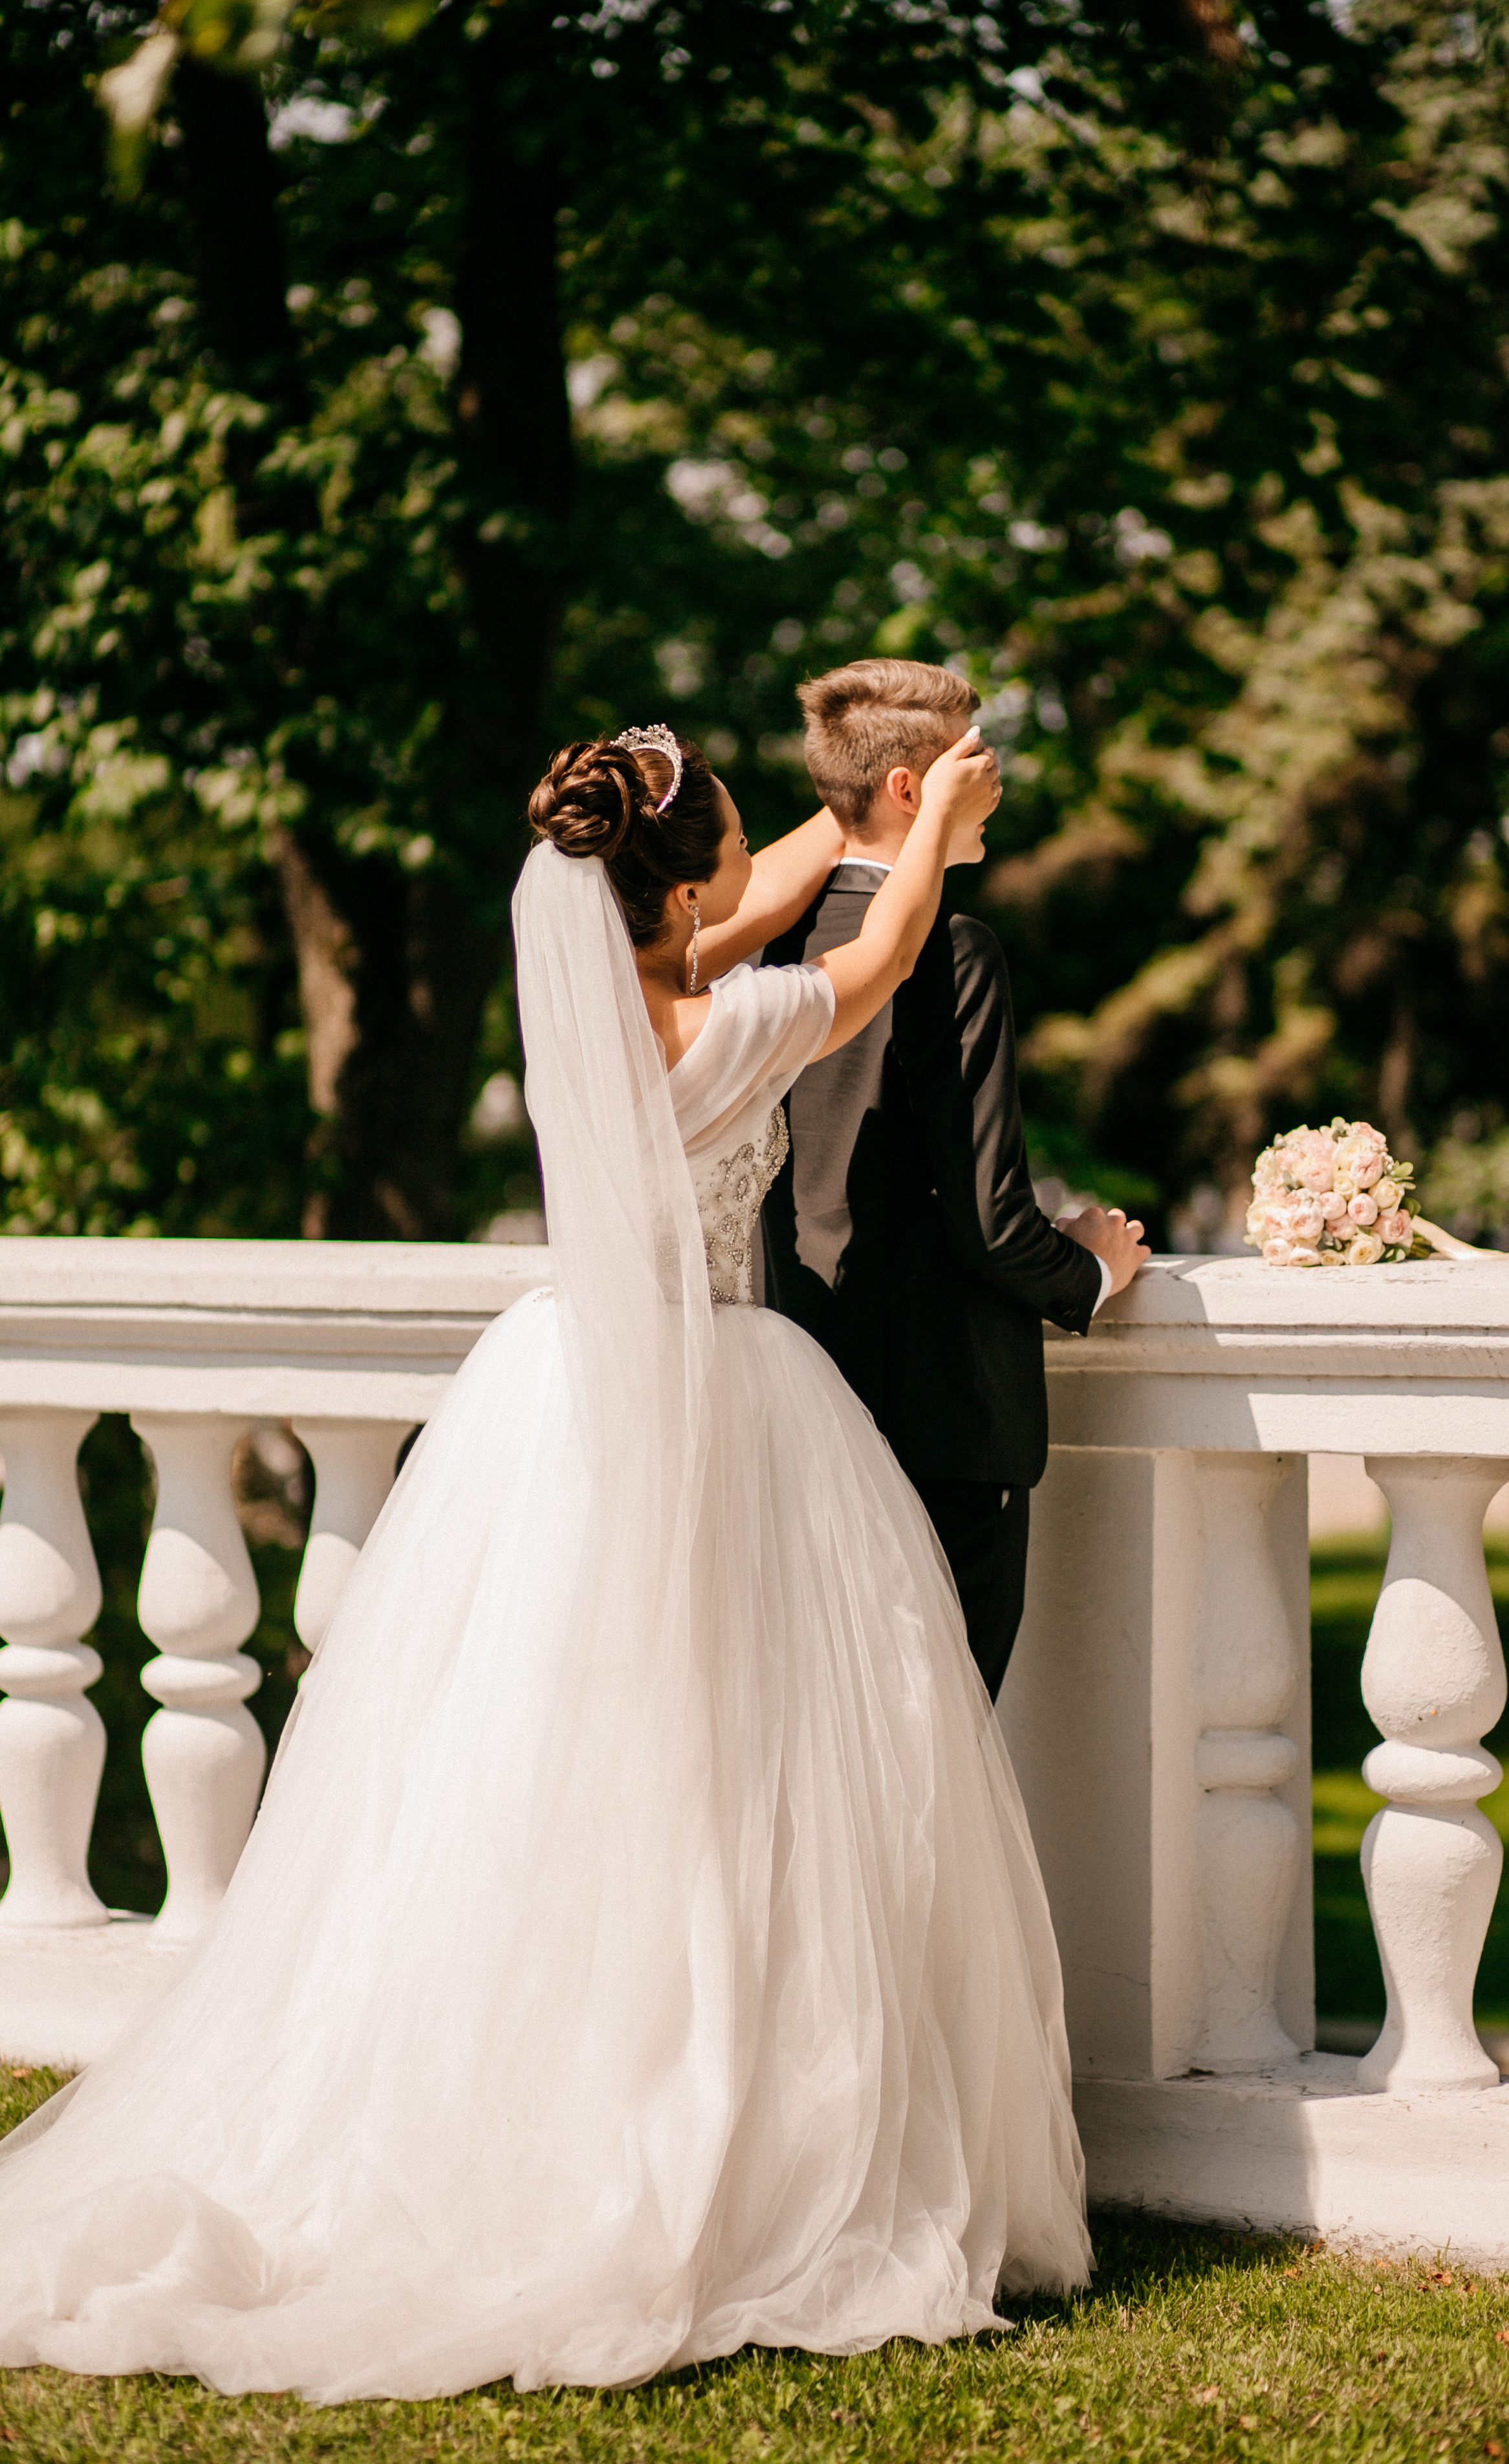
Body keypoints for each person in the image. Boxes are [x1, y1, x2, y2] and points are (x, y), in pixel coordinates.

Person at [0, 721, 1092, 2402]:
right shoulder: (740, 1024)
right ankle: (721, 2133)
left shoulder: (609, 1009)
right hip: (729, 1400)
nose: (748, 869)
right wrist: (930, 822)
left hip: (560, 1403)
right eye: (731, 844)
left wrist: (832, 815)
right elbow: (869, 960)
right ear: (687, 888)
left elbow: (752, 904)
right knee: (737, 1775)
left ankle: (535, 2093)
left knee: (541, 1773)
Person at [763, 659, 1149, 1699]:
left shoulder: (767, 956)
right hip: (939, 1426)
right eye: (975, 758)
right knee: (935, 1769)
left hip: (796, 1406)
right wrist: (1093, 1272)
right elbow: (989, 1218)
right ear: (910, 791)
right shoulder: (952, 950)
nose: (998, 781)